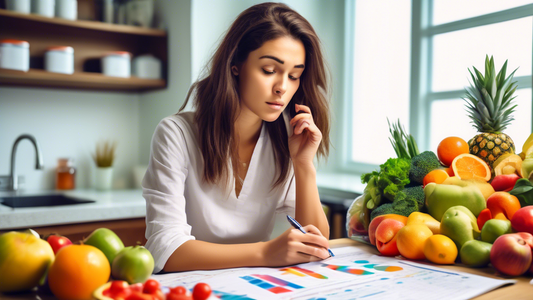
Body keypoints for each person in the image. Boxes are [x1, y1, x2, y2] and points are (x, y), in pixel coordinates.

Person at [143, 2, 332, 273]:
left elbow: (316, 244)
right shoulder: (176, 135)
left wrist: (304, 165)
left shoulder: (285, 142)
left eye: (294, 76)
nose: (282, 87)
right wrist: (266, 252)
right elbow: (165, 249)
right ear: (235, 65)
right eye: (269, 70)